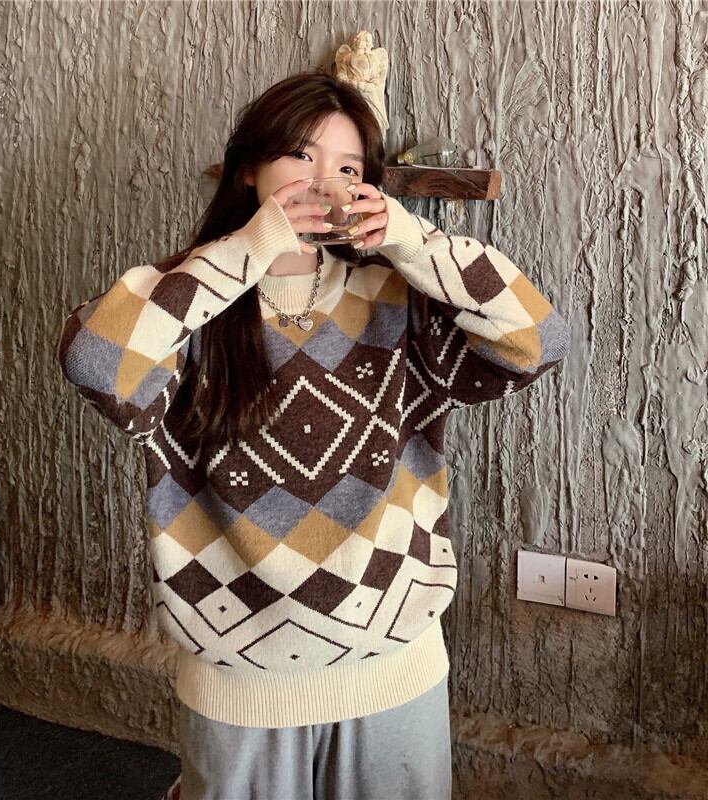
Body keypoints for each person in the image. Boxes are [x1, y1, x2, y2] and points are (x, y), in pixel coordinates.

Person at [57, 68, 571, 800]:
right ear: (248, 169)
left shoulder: (398, 295)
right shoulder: (189, 300)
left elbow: (539, 341)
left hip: (394, 662)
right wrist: (251, 249)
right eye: (301, 155)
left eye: (349, 168)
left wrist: (411, 241)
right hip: (238, 675)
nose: (325, 182)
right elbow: (94, 363)